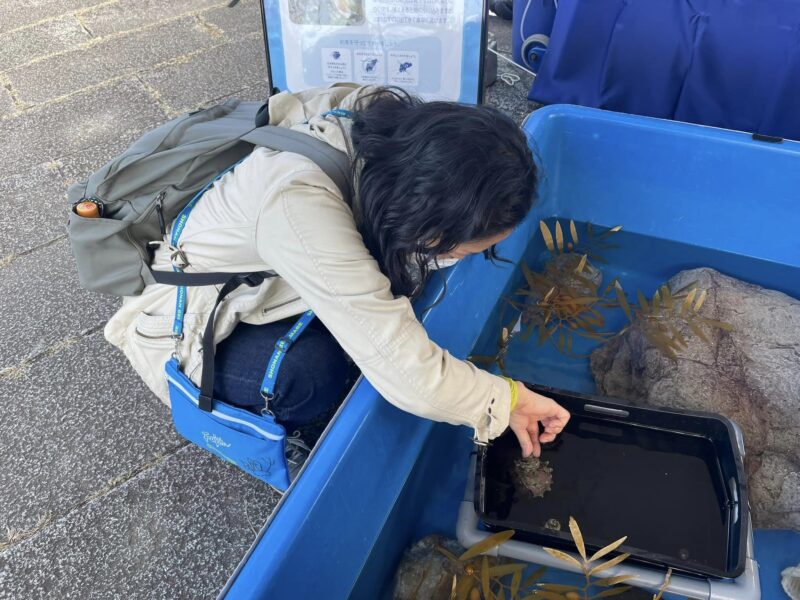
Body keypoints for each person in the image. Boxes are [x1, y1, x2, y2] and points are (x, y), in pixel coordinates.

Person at [104, 84, 570, 468]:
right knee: (310, 375)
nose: (477, 256)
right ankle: (261, 417)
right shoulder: (298, 204)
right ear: (430, 223)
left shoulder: (389, 129)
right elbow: (406, 373)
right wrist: (506, 400)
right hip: (188, 323)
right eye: (475, 248)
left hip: (268, 275)